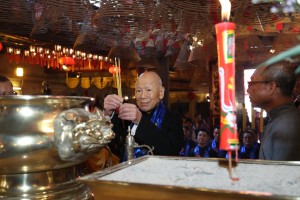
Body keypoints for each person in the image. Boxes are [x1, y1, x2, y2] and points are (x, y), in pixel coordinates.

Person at [103, 71, 184, 161]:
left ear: (161, 93)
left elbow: (171, 151)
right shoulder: (126, 116)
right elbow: (110, 146)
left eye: (148, 90)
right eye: (138, 90)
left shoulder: (172, 118)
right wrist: (107, 115)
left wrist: (140, 121)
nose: (142, 96)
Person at [247, 61, 300, 161]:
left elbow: (281, 174)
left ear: (271, 87)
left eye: (252, 83)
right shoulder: (279, 120)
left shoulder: (286, 126)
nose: (248, 90)